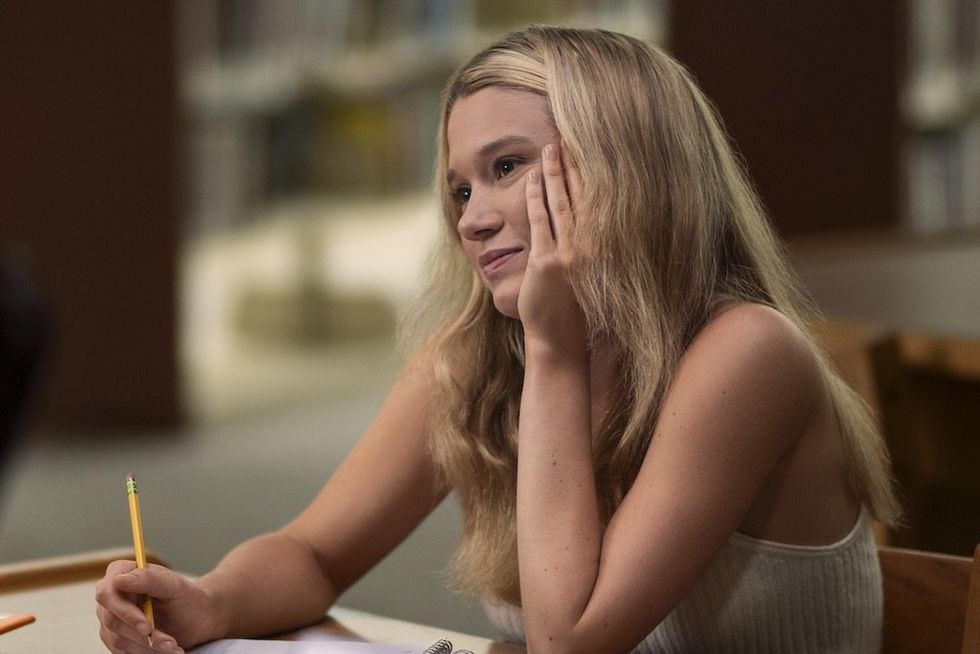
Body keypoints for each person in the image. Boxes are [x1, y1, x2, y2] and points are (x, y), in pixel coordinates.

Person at [96, 26, 900, 653]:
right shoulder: (477, 353)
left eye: (507, 166)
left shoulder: (748, 353)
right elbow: (314, 556)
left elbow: (571, 639)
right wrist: (208, 601)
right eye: (459, 187)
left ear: (627, 171)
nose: (471, 218)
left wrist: (556, 352)